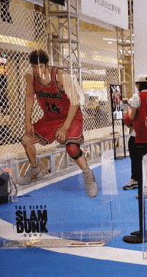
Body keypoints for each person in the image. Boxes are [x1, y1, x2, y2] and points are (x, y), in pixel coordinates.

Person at [18, 49, 98, 197]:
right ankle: (35, 171)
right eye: (34, 67)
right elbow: (29, 97)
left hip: (71, 116)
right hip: (51, 118)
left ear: (47, 64)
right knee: (26, 140)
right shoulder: (30, 77)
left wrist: (65, 127)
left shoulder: (61, 77)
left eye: (40, 66)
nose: (37, 71)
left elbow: (75, 102)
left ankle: (89, 177)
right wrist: (27, 121)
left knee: (72, 148)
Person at [122, 74, 147, 191]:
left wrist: (128, 107)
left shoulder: (137, 96)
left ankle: (143, 188)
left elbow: (131, 117)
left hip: (141, 134)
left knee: (140, 160)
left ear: (138, 84)